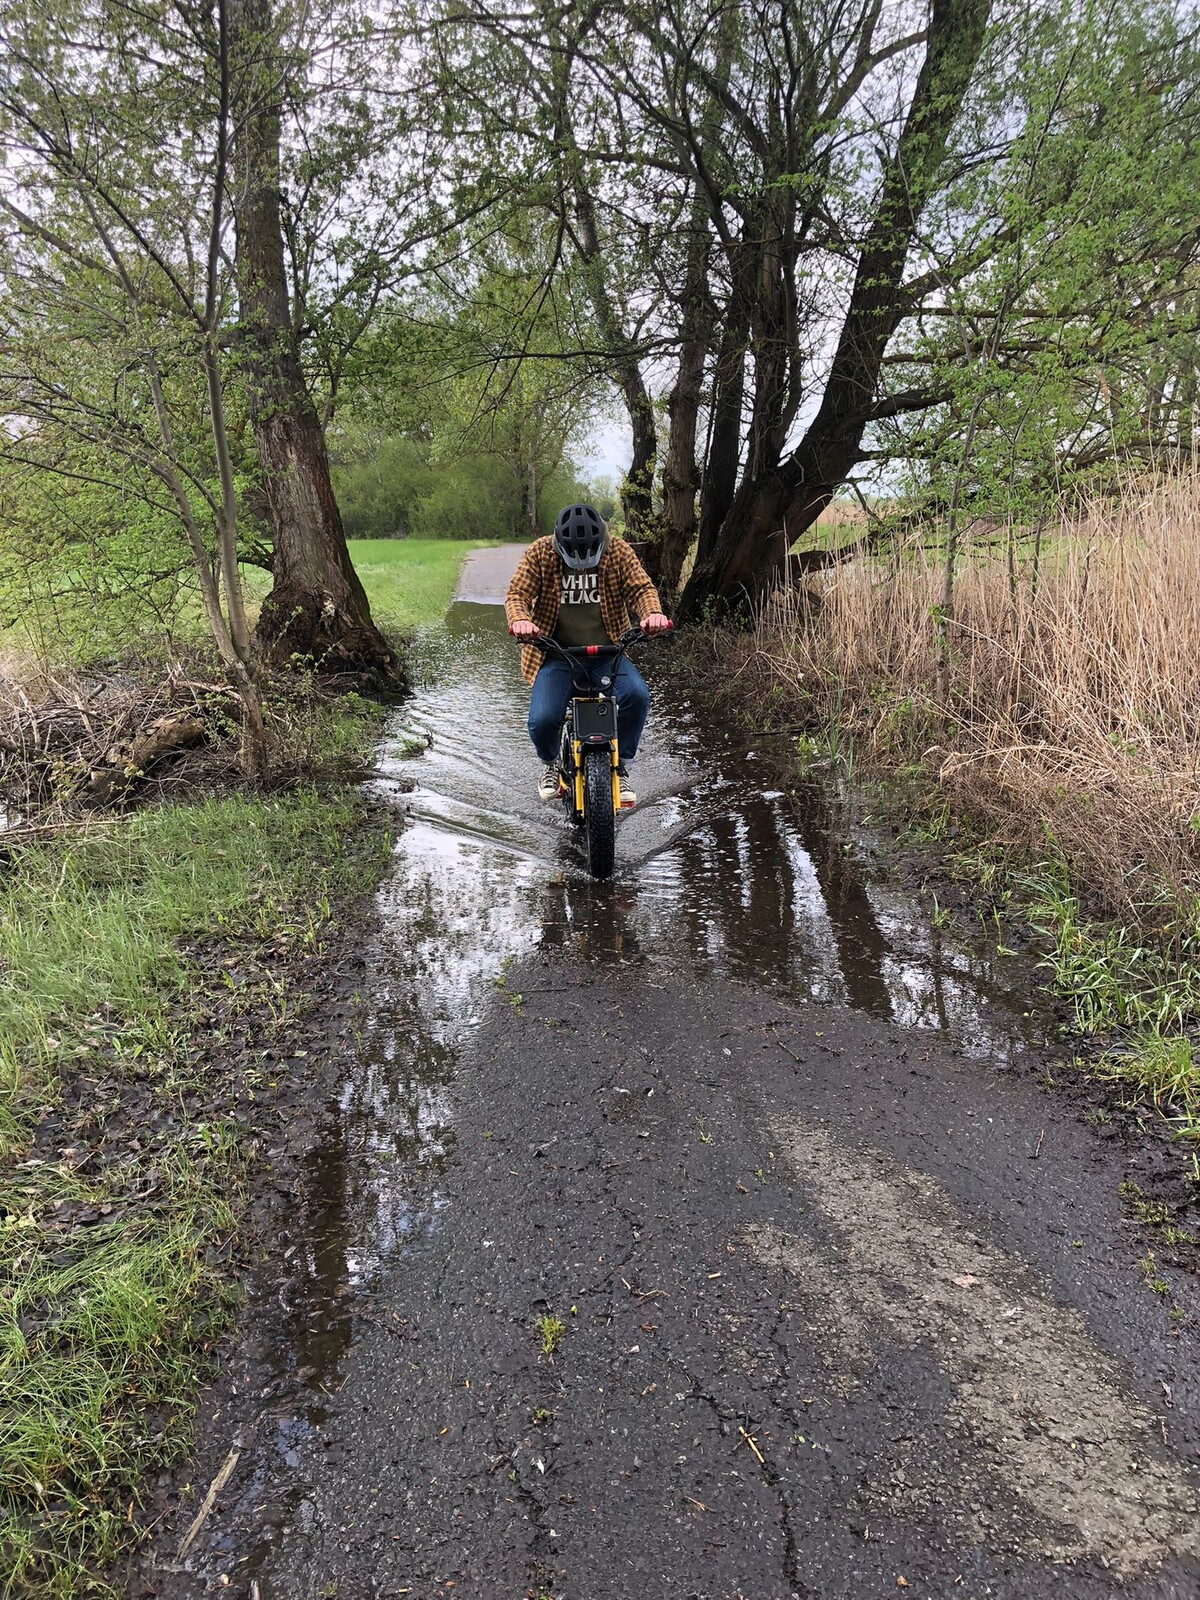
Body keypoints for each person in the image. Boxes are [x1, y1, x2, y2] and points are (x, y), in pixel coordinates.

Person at [505, 504, 671, 805]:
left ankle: (621, 768)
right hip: (556, 655)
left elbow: (641, 589)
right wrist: (520, 620)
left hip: (608, 654)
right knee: (543, 719)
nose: (581, 564)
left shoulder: (618, 550)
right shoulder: (540, 552)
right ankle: (551, 763)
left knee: (636, 696)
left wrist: (652, 614)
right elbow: (518, 594)